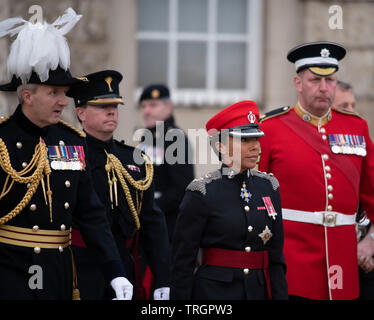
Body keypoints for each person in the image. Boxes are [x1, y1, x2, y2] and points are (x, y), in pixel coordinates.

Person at [0, 9, 132, 299]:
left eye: (64, 93)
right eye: (55, 93)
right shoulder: (2, 140)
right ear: (27, 96)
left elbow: (91, 214)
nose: (63, 101)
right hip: (11, 270)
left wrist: (115, 270)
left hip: (59, 272)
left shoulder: (70, 140)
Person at [259, 41, 374, 300]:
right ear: (298, 83)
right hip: (292, 263)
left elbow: (371, 193)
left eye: (330, 80)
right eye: (314, 80)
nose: (324, 88)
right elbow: (255, 197)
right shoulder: (271, 128)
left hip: (343, 259)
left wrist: (371, 239)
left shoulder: (356, 128)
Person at [67, 70, 170, 300]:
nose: (112, 111)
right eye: (102, 107)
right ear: (81, 112)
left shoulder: (134, 159)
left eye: (114, 105)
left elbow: (152, 222)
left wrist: (163, 276)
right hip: (82, 267)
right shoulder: (70, 157)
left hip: (124, 267)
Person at [171, 100, 288, 300]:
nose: (255, 147)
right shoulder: (202, 191)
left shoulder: (269, 187)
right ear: (221, 146)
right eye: (245, 140)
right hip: (214, 294)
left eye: (256, 140)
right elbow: (182, 263)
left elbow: (276, 259)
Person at [333, 82, 374, 299]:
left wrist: (370, 243)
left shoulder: (361, 144)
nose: (352, 111)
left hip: (366, 261)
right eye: (343, 106)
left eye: (353, 105)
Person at [139, 84, 194, 243]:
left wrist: (149, 208)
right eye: (144, 106)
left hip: (167, 228)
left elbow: (182, 189)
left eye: (153, 105)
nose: (146, 111)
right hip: (149, 224)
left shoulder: (174, 138)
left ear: (168, 107)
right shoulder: (148, 138)